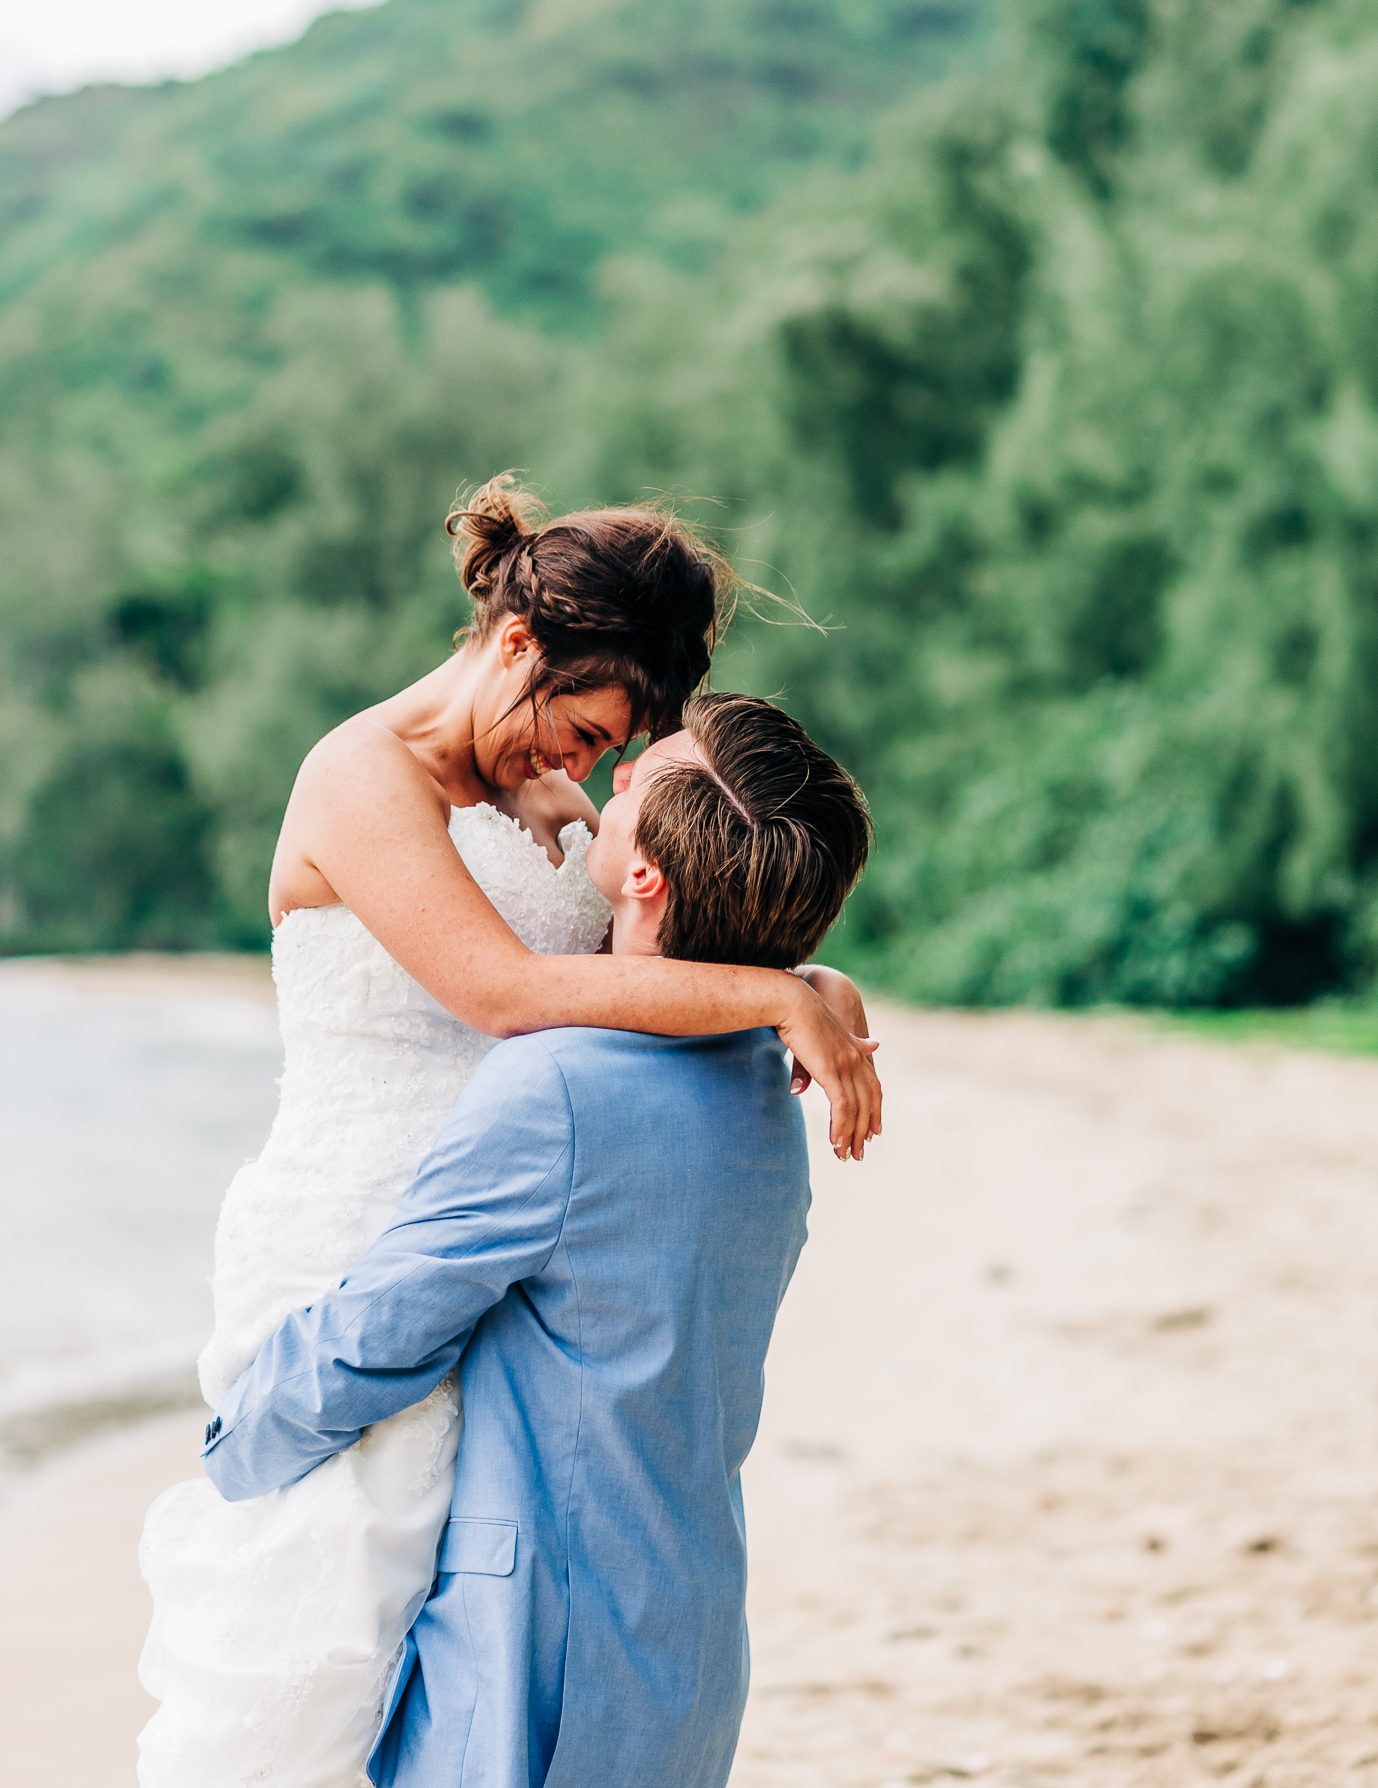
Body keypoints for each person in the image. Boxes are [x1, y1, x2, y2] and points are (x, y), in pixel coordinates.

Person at [138, 481, 881, 1788]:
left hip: (519, 1270)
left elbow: (659, 955)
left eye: (615, 753)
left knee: (466, 1649)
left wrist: (803, 977)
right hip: (354, 1242)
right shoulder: (361, 777)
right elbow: (514, 996)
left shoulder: (561, 808)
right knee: (317, 1653)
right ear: (518, 647)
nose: (587, 768)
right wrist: (781, 994)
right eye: (583, 730)